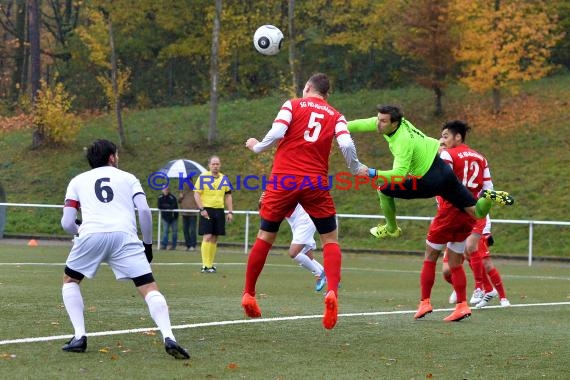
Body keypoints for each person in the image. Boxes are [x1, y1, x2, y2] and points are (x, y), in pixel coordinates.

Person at [242, 73, 365, 329]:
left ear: (307, 87)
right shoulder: (335, 115)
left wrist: (257, 147)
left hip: (283, 179)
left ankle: (249, 294)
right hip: (315, 182)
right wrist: (354, 168)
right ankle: (332, 291)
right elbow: (346, 144)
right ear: (326, 94)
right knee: (329, 239)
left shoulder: (292, 104)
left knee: (265, 237)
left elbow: (277, 131)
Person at [59, 139, 189, 359]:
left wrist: (81, 230)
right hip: (125, 237)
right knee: (148, 287)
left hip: (91, 235)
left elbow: (67, 222)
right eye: (117, 155)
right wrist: (147, 244)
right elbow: (145, 212)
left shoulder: (77, 181)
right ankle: (169, 337)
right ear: (111, 157)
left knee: (70, 281)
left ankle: (79, 336)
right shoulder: (129, 178)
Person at [348, 105, 514, 239]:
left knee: (384, 190)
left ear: (394, 124)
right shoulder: (396, 122)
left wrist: (370, 172)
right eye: (378, 119)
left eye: (383, 121)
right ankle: (486, 196)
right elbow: (363, 123)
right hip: (443, 169)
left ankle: (392, 229)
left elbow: (398, 174)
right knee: (477, 212)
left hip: (429, 180)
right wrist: (340, 128)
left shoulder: (402, 142)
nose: (378, 123)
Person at [414, 120, 507, 321]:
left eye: (446, 136)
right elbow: (489, 191)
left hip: (449, 211)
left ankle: (424, 302)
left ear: (458, 137)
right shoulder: (481, 158)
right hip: (468, 215)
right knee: (456, 263)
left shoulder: (448, 154)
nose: (443, 140)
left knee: (430, 256)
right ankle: (462, 305)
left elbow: (440, 178)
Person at [259, 192, 326, 291]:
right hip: (298, 224)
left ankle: (319, 275)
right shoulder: (275, 195)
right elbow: (265, 216)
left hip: (305, 222)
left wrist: (266, 202)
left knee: (293, 253)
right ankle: (331, 278)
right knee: (307, 256)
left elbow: (272, 213)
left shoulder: (284, 193)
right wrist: (261, 204)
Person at [445, 216, 511, 308]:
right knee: (467, 257)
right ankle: (488, 289)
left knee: (486, 263)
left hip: (479, 226)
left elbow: (482, 204)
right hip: (464, 223)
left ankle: (502, 298)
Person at [193, 155, 233, 273]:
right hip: (207, 210)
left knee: (215, 238)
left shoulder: (224, 178)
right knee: (208, 236)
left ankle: (210, 265)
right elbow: (196, 194)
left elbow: (229, 195)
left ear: (220, 165)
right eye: (213, 164)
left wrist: (230, 211)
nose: (215, 166)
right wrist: (202, 209)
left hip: (219, 210)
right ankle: (205, 265)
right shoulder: (203, 177)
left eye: (217, 164)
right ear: (209, 165)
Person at [178, 181, 198, 251]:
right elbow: (179, 201)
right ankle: (188, 245)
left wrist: (196, 208)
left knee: (192, 230)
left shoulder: (195, 191)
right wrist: (180, 197)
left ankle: (193, 245)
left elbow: (199, 200)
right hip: (184, 213)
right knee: (185, 230)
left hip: (193, 213)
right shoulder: (183, 191)